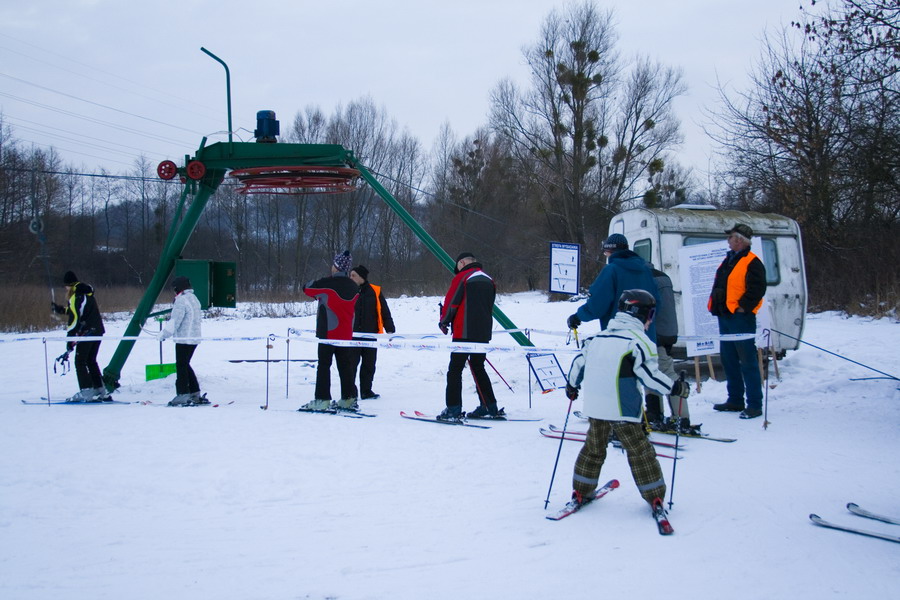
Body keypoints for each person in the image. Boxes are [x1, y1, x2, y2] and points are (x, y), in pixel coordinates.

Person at [563, 289, 690, 521]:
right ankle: (655, 495)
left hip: (595, 408)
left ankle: (581, 491)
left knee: (593, 449)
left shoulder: (597, 339)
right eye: (651, 314)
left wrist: (571, 387)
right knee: (640, 452)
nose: (651, 319)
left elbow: (578, 364)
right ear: (642, 314)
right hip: (624, 410)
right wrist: (675, 388)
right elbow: (650, 378)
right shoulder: (639, 342)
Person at [708, 223, 767, 419]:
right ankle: (735, 400)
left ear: (740, 240)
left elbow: (758, 289)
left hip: (740, 318)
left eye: (731, 237)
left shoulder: (753, 262)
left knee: (747, 361)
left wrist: (744, 306)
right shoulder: (729, 259)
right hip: (725, 316)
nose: (728, 241)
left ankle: (755, 405)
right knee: (729, 359)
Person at [437, 252, 499, 421]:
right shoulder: (488, 279)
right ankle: (489, 406)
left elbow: (451, 302)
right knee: (479, 368)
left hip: (463, 332)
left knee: (455, 370)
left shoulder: (462, 277)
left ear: (462, 262)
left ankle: (453, 409)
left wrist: (444, 321)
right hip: (483, 332)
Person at [567, 233, 660, 342]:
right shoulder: (646, 271)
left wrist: (578, 317)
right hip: (645, 341)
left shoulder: (611, 270)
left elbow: (597, 305)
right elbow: (657, 303)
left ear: (610, 251)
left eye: (606, 253)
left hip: (619, 341)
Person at [301, 250, 360, 412]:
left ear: (336, 267)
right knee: (345, 366)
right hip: (346, 333)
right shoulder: (353, 286)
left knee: (324, 365)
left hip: (328, 332)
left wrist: (323, 283)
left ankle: (322, 399)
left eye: (334, 265)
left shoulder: (327, 283)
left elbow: (307, 288)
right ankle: (348, 398)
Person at [645, 265, 700, 434]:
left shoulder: (646, 279)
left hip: (656, 332)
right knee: (652, 371)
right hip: (668, 330)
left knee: (665, 372)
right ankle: (657, 413)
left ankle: (681, 417)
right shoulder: (662, 277)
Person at [51, 271, 109, 402]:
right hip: (97, 330)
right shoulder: (85, 294)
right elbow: (77, 311)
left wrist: (70, 338)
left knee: (80, 361)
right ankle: (101, 391)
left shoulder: (76, 296)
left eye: (65, 286)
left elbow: (74, 319)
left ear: (69, 285)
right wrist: (61, 310)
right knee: (91, 360)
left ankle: (86, 391)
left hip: (88, 333)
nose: (65, 289)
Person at [158, 276, 207, 406]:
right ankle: (194, 393)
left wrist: (164, 334)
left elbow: (175, 321)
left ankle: (183, 394)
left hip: (184, 339)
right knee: (185, 364)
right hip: (194, 338)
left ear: (178, 288)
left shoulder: (181, 300)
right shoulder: (193, 298)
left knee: (181, 366)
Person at [348, 265, 396, 400]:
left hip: (371, 335)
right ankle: (350, 391)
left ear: (361, 277)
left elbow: (384, 311)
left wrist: (390, 328)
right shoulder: (347, 290)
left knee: (369, 364)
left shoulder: (375, 291)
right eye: (350, 275)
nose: (350, 278)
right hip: (352, 336)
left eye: (353, 275)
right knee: (351, 365)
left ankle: (366, 390)